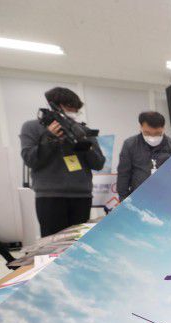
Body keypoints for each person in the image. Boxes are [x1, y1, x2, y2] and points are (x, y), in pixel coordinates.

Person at [20, 87, 105, 237]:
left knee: (78, 242)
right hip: (50, 196)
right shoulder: (32, 127)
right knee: (53, 244)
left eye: (76, 110)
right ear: (55, 106)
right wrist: (50, 138)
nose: (73, 113)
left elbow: (98, 163)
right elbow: (30, 160)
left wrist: (84, 142)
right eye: (70, 109)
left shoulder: (82, 130)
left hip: (81, 196)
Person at [117, 111, 171, 200]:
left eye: (157, 133)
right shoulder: (130, 145)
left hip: (167, 196)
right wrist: (124, 198)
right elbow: (124, 173)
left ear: (163, 128)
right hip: (139, 196)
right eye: (147, 133)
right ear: (141, 128)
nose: (152, 137)